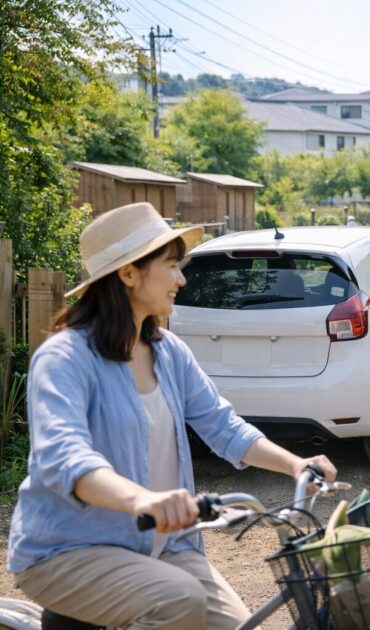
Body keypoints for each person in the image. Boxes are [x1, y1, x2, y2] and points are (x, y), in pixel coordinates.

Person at [7, 202, 338, 629]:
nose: (181, 279)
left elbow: (223, 425)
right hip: (69, 550)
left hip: (164, 546)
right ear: (129, 273)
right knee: (180, 601)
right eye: (170, 266)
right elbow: (65, 458)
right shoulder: (65, 358)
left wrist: (296, 464)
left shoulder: (168, 351)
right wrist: (143, 500)